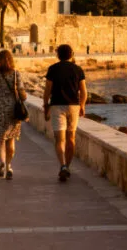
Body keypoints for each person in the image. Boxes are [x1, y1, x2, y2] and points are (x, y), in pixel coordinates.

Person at [43, 44, 86, 182]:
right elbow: (84, 91)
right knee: (71, 138)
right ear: (71, 54)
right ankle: (67, 166)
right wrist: (82, 105)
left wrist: (46, 106)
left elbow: (47, 90)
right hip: (73, 106)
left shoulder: (53, 69)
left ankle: (62, 166)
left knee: (59, 139)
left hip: (57, 106)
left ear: (58, 55)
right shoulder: (78, 70)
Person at [0, 50, 26, 179]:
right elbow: (23, 95)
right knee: (11, 140)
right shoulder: (16, 74)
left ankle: (2, 162)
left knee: (0, 140)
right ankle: (8, 166)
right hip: (13, 111)